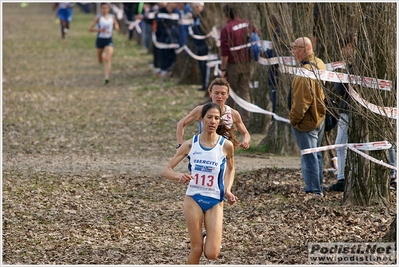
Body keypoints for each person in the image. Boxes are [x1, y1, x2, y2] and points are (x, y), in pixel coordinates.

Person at [162, 102, 239, 264]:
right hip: (193, 198)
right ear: (201, 119)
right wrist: (179, 176)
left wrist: (228, 190)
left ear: (219, 122)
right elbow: (166, 170)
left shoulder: (226, 146)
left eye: (216, 118)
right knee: (196, 249)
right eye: (209, 117)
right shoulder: (191, 144)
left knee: (212, 254)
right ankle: (199, 240)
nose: (212, 121)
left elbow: (230, 170)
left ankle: (206, 236)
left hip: (215, 200)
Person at [289, 37, 326, 197]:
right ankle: (318, 185)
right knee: (316, 154)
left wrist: (293, 120)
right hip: (320, 117)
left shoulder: (304, 75)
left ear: (304, 50)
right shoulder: (320, 63)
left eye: (295, 48)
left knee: (309, 156)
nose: (293, 52)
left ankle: (314, 190)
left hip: (306, 122)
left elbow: (300, 104)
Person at [176, 78, 250, 150]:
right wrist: (179, 144)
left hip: (223, 151)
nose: (219, 96)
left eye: (223, 93)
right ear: (210, 94)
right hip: (204, 148)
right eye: (216, 93)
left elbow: (245, 133)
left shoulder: (233, 113)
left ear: (228, 95)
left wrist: (245, 141)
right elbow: (181, 123)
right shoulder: (201, 110)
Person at [219, 4, 260, 127]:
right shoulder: (247, 23)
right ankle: (245, 122)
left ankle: (228, 122)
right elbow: (257, 35)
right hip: (247, 63)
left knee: (230, 93)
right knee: (244, 91)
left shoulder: (226, 29)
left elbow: (225, 52)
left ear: (226, 14)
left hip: (233, 64)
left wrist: (223, 69)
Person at [328, 33, 356, 192]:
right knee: (341, 145)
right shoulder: (351, 65)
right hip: (347, 109)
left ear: (351, 46)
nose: (342, 52)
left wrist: (339, 75)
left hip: (348, 110)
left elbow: (340, 88)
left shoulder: (353, 67)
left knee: (341, 145)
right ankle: (342, 177)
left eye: (344, 47)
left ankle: (342, 178)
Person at [88, 2, 120, 85]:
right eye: (103, 8)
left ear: (108, 9)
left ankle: (106, 77)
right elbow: (90, 29)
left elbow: (116, 24)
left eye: (106, 8)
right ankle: (102, 58)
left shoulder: (111, 17)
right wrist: (99, 30)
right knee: (100, 60)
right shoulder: (98, 18)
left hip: (108, 40)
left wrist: (116, 27)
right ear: (100, 9)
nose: (104, 10)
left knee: (107, 59)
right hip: (100, 39)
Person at [155, 3, 180, 77]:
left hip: (173, 39)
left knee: (171, 55)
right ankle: (163, 69)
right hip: (163, 38)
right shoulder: (160, 11)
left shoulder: (177, 12)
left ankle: (169, 69)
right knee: (163, 54)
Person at [191, 2, 211, 91]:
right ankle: (203, 84)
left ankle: (206, 85)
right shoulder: (195, 17)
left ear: (202, 6)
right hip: (197, 44)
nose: (196, 9)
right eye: (194, 7)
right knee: (200, 65)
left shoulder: (206, 17)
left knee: (205, 65)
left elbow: (205, 30)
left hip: (205, 44)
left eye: (198, 7)